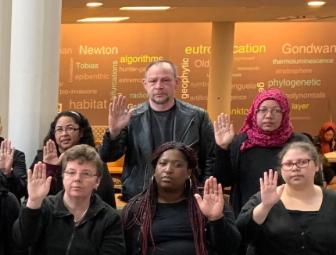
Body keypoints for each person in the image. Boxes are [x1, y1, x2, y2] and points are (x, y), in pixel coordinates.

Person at [100, 60, 217, 201]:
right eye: (153, 81)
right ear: (145, 84)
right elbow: (107, 157)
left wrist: (202, 191)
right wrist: (113, 133)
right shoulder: (130, 117)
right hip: (140, 196)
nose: (159, 86)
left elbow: (210, 159)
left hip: (185, 198)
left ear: (177, 82)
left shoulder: (198, 117)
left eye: (165, 80)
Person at [214, 90, 326, 219]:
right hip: (248, 218)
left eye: (276, 110)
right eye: (262, 110)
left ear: (285, 114)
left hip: (293, 218)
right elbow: (222, 181)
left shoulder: (299, 142)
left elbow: (316, 182)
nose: (269, 115)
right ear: (254, 113)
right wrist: (223, 148)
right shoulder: (241, 142)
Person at [36, 110, 116, 208]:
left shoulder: (94, 157)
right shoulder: (43, 157)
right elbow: (35, 196)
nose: (64, 134)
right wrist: (50, 169)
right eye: (59, 130)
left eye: (70, 128)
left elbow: (104, 193)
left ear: (81, 132)